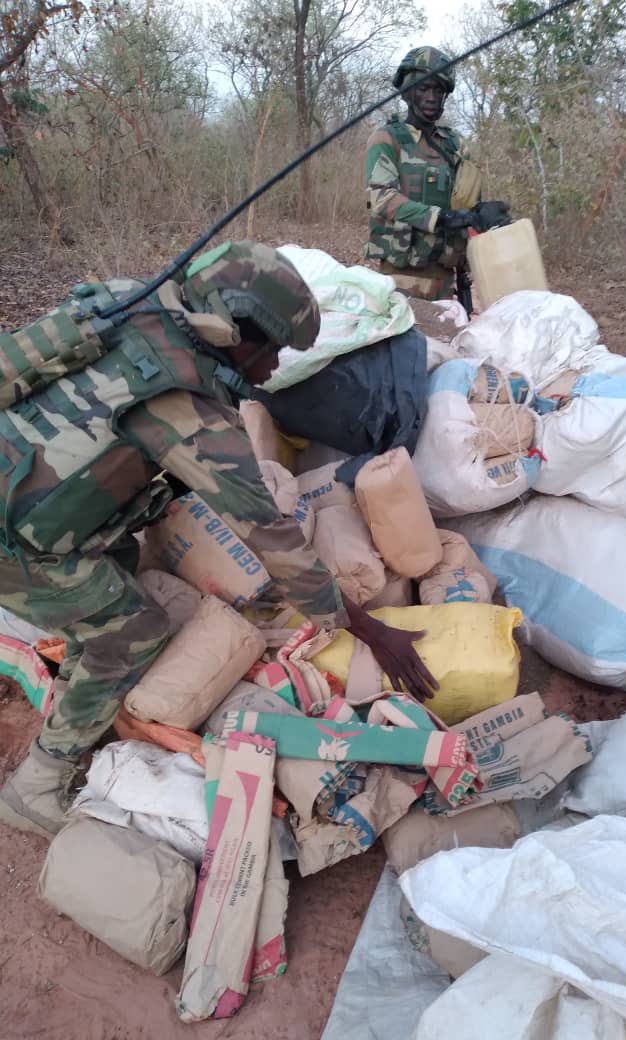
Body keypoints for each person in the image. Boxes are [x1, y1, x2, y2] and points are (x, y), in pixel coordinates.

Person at [0, 241, 437, 839]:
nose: (273, 368)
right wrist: (370, 630)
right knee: (135, 632)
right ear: (234, 332)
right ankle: (36, 784)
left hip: (19, 480)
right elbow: (274, 541)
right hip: (14, 542)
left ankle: (82, 686)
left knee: (120, 557)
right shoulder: (186, 411)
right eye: (273, 349)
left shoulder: (131, 306)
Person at [364, 45, 510, 303]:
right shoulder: (386, 138)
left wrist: (481, 214)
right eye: (424, 88)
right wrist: (444, 217)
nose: (432, 97)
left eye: (439, 90)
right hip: (400, 278)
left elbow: (465, 203)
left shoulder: (455, 145)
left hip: (445, 280)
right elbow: (382, 199)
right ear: (407, 91)